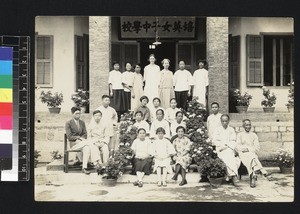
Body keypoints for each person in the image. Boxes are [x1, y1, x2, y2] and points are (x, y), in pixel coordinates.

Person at [236, 119, 272, 188]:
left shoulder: (254, 135)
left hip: (251, 154)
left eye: (249, 125)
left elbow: (257, 147)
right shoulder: (240, 135)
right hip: (243, 154)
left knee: (252, 156)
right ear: (243, 126)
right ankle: (263, 171)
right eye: (246, 125)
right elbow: (238, 147)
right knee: (253, 156)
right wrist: (248, 149)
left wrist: (247, 149)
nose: (248, 126)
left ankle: (252, 176)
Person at [65, 107, 99, 174]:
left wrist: (82, 138)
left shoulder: (82, 122)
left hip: (83, 142)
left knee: (87, 148)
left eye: (79, 113)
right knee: (91, 143)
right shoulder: (68, 123)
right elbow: (69, 136)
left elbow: (85, 133)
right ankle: (96, 162)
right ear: (72, 114)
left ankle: (84, 168)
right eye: (76, 113)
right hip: (74, 144)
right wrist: (78, 138)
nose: (78, 115)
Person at [213, 114, 241, 186]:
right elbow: (215, 141)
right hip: (220, 149)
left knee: (231, 156)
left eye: (226, 121)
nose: (224, 123)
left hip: (229, 148)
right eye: (223, 121)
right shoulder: (217, 130)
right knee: (227, 155)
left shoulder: (231, 130)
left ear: (228, 121)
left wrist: (226, 146)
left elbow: (233, 140)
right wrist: (224, 146)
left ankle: (231, 175)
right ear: (221, 121)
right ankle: (234, 176)